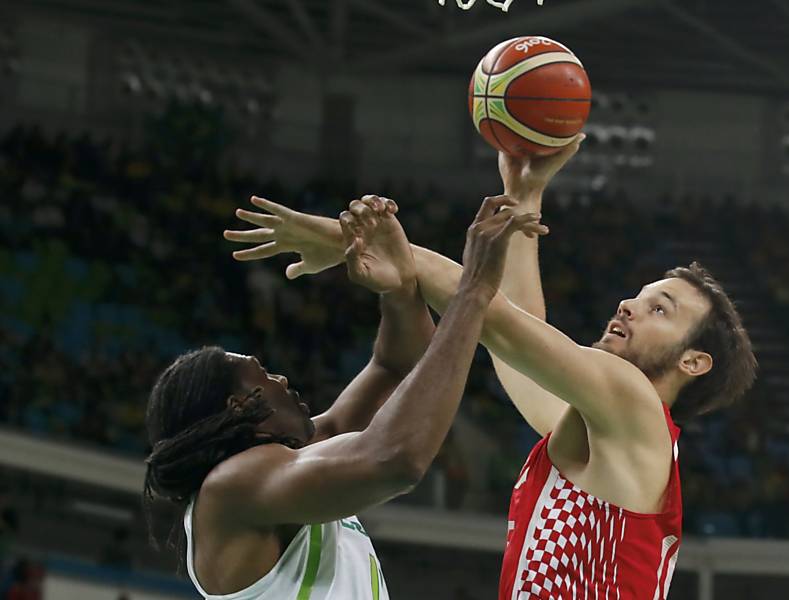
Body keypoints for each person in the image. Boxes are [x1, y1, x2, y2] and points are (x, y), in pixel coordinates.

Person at [226, 143, 757, 599]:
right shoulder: (605, 435)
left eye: (659, 309)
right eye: (639, 296)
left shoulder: (635, 404)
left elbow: (496, 321)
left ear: (694, 362)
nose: (627, 305)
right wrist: (525, 197)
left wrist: (348, 239)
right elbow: (515, 346)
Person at [145, 195, 546, 599]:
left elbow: (396, 369)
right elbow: (395, 458)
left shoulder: (284, 468)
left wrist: (400, 290)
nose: (281, 379)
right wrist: (473, 290)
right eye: (263, 375)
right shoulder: (230, 487)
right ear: (239, 405)